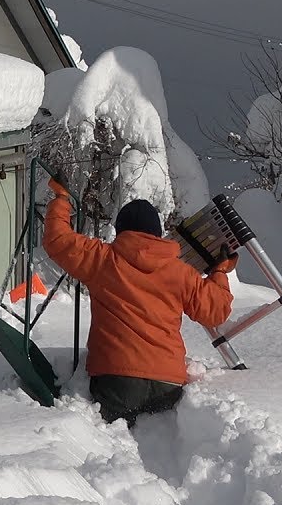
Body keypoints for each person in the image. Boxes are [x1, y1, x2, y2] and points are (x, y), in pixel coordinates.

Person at [43, 178, 235, 426]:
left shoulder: (102, 259)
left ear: (121, 231)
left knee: (116, 428)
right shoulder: (181, 273)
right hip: (167, 384)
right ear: (157, 233)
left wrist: (61, 199)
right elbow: (216, 311)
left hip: (116, 382)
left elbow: (57, 239)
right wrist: (219, 272)